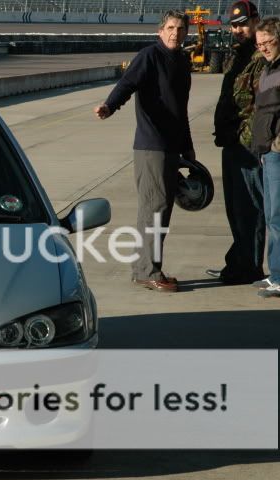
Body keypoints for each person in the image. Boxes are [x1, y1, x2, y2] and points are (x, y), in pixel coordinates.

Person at [93, 10, 195, 293]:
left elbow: (180, 109)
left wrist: (187, 147)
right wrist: (109, 106)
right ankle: (146, 271)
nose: (176, 33)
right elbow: (127, 84)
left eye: (181, 28)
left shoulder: (182, 61)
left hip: (172, 146)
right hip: (151, 146)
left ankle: (150, 267)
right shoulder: (149, 56)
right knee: (153, 208)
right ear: (160, 31)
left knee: (163, 210)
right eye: (171, 27)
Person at [208, 1, 267, 285]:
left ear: (256, 21)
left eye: (243, 23)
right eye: (234, 25)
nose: (238, 29)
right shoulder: (236, 56)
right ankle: (239, 260)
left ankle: (250, 267)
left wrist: (248, 139)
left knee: (250, 208)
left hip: (247, 146)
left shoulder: (262, 57)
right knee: (234, 208)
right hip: (231, 143)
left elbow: (262, 107)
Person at [251, 17, 280, 297]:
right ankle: (276, 273)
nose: (263, 48)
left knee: (277, 216)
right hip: (268, 152)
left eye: (267, 42)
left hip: (277, 151)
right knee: (272, 216)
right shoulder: (268, 68)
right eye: (259, 44)